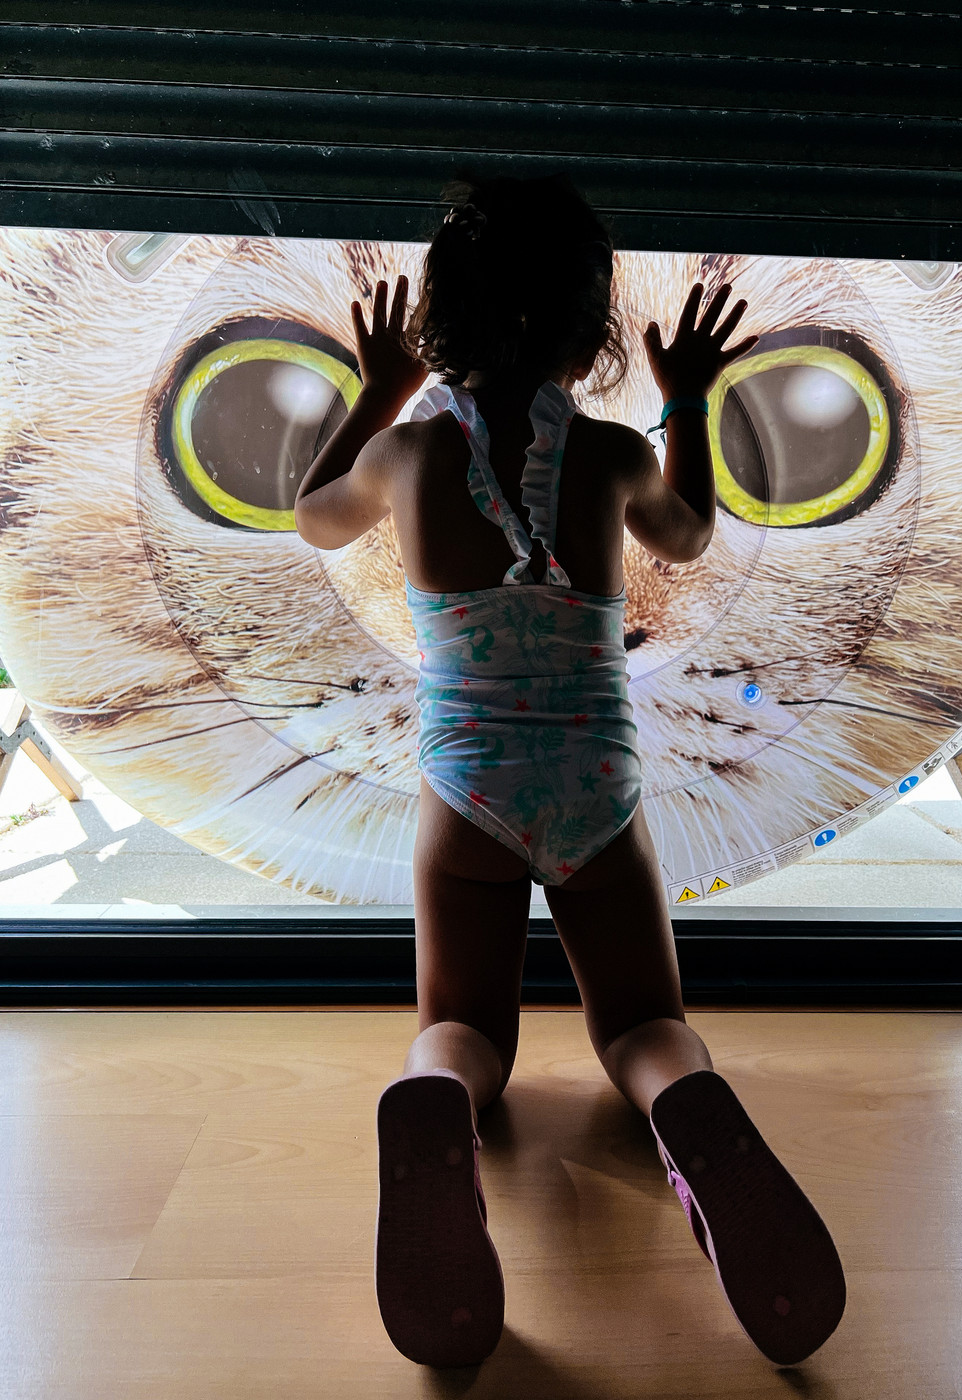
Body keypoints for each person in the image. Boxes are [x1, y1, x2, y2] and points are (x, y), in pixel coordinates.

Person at [294, 174, 845, 1371]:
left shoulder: (405, 453)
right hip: (596, 784)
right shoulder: (603, 454)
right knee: (644, 1018)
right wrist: (687, 404)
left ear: (438, 318)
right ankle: (677, 1103)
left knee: (459, 1022)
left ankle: (438, 1090)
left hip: (467, 795)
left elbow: (315, 519)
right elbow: (689, 534)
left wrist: (377, 389)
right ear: (593, 331)